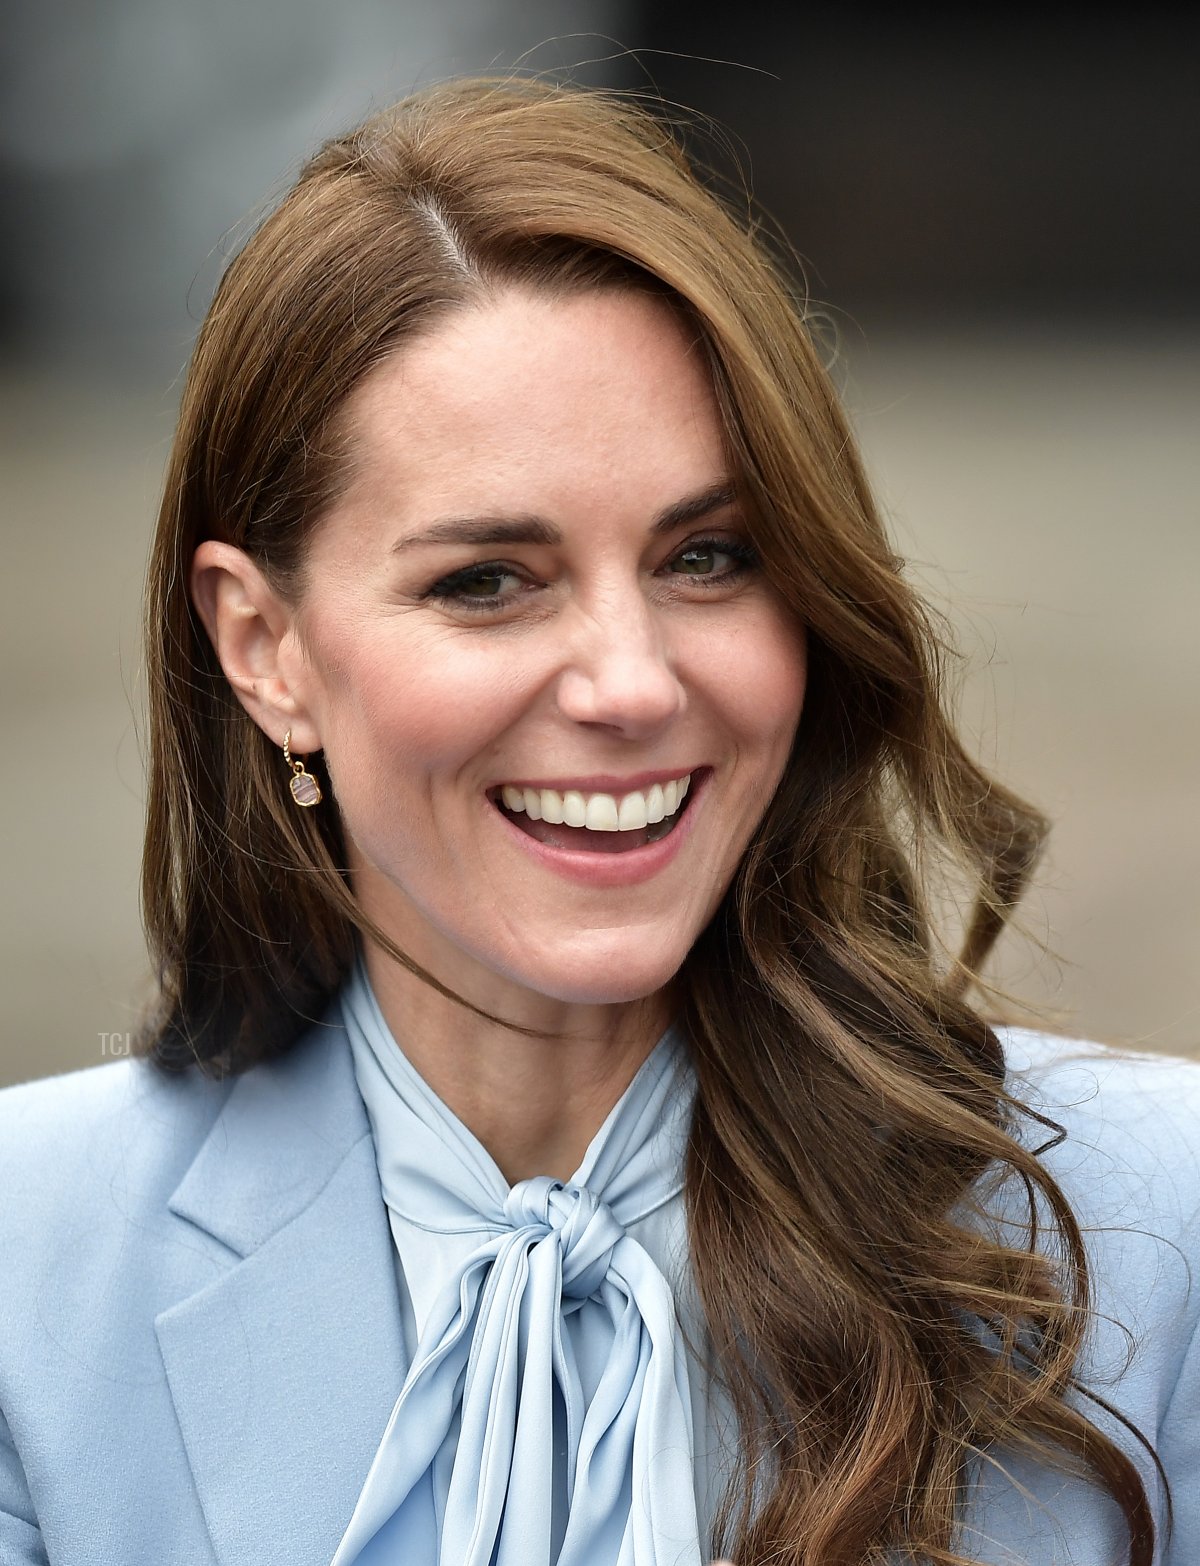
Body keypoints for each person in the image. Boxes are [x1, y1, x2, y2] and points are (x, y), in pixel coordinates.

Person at [0, 74, 1196, 1566]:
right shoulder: (26, 1274)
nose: (631, 684)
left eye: (708, 557)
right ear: (265, 646)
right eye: (487, 581)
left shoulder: (1162, 1229)